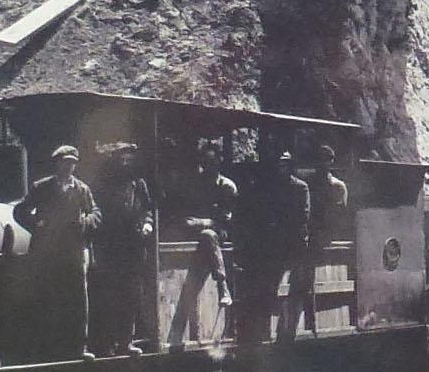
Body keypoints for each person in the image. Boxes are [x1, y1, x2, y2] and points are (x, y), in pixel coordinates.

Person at [15, 144, 102, 360]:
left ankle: (79, 348)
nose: (68, 167)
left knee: (78, 301)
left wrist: (85, 222)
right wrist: (38, 225)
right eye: (65, 163)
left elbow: (96, 213)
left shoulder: (82, 189)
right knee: (49, 298)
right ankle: (51, 349)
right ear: (57, 164)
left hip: (74, 252)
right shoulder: (42, 187)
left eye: (72, 163)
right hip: (48, 252)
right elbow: (20, 211)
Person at [238, 148, 310, 345]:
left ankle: (287, 331)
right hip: (273, 246)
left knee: (294, 290)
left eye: (285, 164)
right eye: (279, 164)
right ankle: (262, 330)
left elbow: (302, 217)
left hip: (294, 246)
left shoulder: (300, 188)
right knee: (266, 287)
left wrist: (281, 227)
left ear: (290, 166)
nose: (282, 168)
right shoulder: (272, 188)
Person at [168, 145, 238, 348]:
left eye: (212, 162)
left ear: (218, 162)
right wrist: (199, 222)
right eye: (205, 162)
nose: (209, 166)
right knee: (202, 235)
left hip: (223, 235)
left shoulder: (227, 186)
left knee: (208, 235)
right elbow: (185, 217)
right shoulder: (196, 185)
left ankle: (222, 287)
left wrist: (200, 222)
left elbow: (224, 220)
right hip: (201, 236)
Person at [94, 145, 156, 356]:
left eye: (129, 161)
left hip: (134, 249)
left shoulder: (139, 185)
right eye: (122, 160)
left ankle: (126, 342)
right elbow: (97, 212)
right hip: (111, 248)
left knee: (131, 296)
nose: (126, 164)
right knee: (110, 296)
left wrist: (147, 224)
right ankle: (107, 343)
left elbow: (148, 209)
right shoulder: (105, 186)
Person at [298, 143, 350, 336]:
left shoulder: (337, 187)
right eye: (318, 159)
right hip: (307, 234)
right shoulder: (306, 184)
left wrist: (322, 233)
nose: (321, 163)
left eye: (325, 159)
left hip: (325, 237)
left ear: (331, 162)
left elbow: (339, 217)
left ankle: (313, 322)